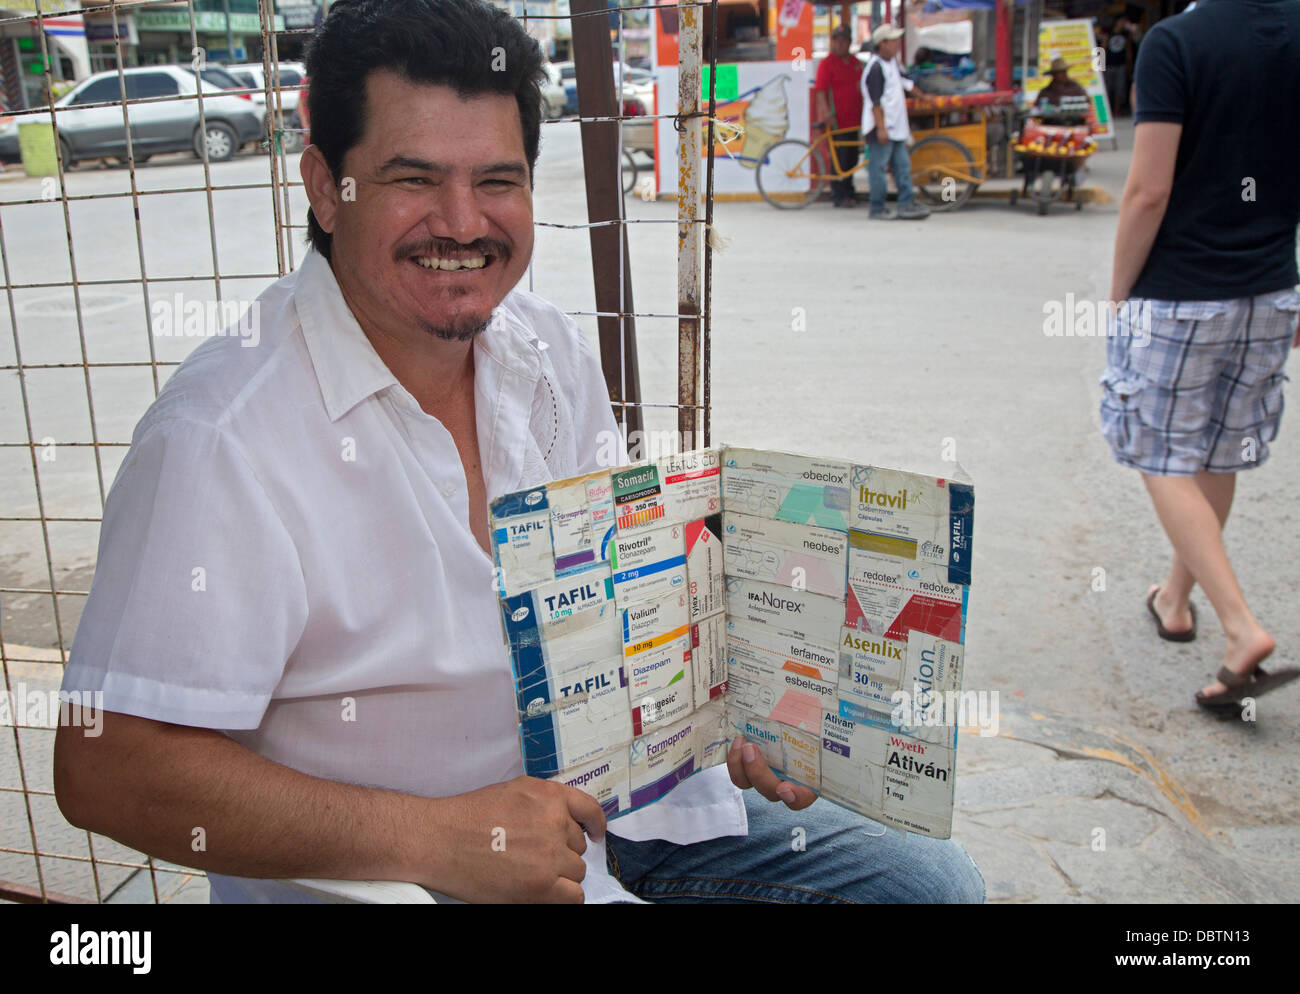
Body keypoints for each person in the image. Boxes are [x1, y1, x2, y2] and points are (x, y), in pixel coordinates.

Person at [53, 0, 984, 904]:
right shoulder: (221, 439)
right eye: (413, 179)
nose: (463, 222)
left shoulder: (547, 352)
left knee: (933, 883)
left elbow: (632, 592)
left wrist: (726, 706)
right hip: (414, 875)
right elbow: (104, 766)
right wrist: (431, 838)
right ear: (323, 187)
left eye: (497, 180)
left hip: (602, 806)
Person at [1100, 0, 1300, 716]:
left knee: (1162, 458)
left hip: (1182, 294)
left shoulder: (1174, 42)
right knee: (1215, 452)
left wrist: (1120, 289)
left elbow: (1149, 189)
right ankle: (1175, 600)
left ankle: (1242, 629)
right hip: (1272, 292)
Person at [860, 23, 930, 220]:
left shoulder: (892, 64)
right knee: (879, 169)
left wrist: (924, 96)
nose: (897, 44)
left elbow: (906, 82)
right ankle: (877, 207)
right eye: (893, 41)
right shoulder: (875, 68)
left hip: (897, 127)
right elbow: (875, 103)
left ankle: (906, 204)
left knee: (902, 166)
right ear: (882, 44)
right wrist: (881, 129)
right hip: (881, 127)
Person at [813, 24, 864, 208]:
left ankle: (849, 191)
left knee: (852, 158)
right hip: (836, 121)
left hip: (855, 120)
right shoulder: (827, 64)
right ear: (833, 42)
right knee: (839, 158)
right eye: (837, 40)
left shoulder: (856, 63)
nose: (840, 44)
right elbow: (820, 92)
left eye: (844, 40)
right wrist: (827, 114)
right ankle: (839, 195)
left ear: (850, 42)